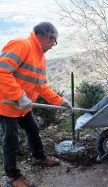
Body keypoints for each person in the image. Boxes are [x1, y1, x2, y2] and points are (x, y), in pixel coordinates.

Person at [0, 22, 73, 187]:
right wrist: (19, 95)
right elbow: (2, 71)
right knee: (11, 139)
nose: (53, 46)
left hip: (22, 106)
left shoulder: (41, 57)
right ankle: (12, 178)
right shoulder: (22, 45)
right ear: (48, 37)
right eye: (54, 42)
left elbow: (41, 86)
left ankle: (39, 157)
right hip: (5, 104)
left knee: (33, 129)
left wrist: (60, 101)